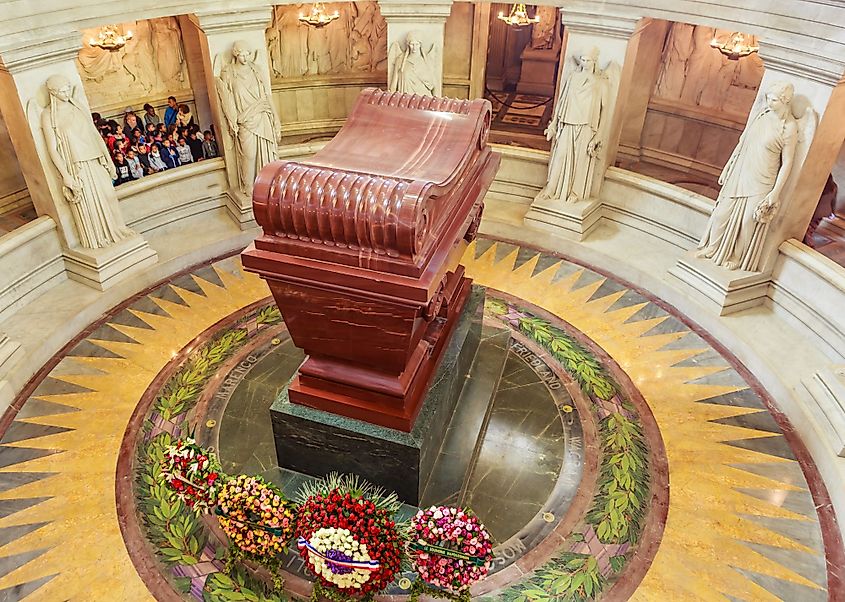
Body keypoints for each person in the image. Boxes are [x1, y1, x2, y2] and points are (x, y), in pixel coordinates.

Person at [697, 82, 800, 271]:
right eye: (768, 98)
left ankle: (737, 257)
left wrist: (775, 193)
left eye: (774, 100)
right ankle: (713, 248)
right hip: (741, 172)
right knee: (720, 215)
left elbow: (787, 163)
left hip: (763, 179)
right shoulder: (761, 116)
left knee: (747, 222)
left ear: (785, 101)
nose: (770, 103)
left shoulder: (789, 128)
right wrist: (728, 167)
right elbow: (742, 142)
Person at [38, 75, 134, 248]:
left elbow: (95, 136)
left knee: (108, 196)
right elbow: (52, 149)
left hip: (95, 159)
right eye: (61, 90)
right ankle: (99, 237)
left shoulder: (78, 106)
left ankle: (116, 229)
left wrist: (109, 161)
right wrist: (66, 176)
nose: (66, 93)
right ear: (52, 93)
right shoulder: (48, 116)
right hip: (77, 166)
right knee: (90, 204)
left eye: (68, 88)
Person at [538, 47, 609, 204]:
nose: (584, 63)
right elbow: (561, 101)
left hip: (585, 126)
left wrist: (597, 136)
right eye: (582, 60)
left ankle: (575, 192)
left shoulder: (600, 83)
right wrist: (554, 124)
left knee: (580, 160)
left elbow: (604, 112)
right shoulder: (573, 77)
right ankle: (552, 188)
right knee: (560, 155)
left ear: (594, 61)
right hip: (568, 122)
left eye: (588, 60)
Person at [215, 40, 279, 197]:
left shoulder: (256, 70)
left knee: (265, 152)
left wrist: (276, 118)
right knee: (249, 154)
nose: (245, 58)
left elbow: (267, 95)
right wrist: (232, 119)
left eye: (247, 54)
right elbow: (227, 99)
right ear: (236, 54)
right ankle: (248, 185)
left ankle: (267, 181)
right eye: (242, 55)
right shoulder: (228, 73)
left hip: (262, 115)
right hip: (244, 119)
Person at [388, 31, 436, 96]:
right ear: (408, 45)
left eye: (417, 44)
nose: (414, 47)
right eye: (412, 44)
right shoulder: (400, 60)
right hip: (406, 101)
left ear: (420, 45)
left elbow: (433, 85)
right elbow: (393, 84)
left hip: (424, 100)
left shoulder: (426, 61)